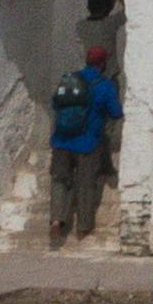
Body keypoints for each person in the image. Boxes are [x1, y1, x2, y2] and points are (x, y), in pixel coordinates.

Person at [45, 39, 123, 246]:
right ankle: (83, 227)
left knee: (60, 180)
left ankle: (56, 220)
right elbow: (116, 113)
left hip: (61, 141)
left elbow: (55, 102)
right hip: (88, 143)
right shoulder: (105, 86)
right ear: (103, 64)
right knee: (86, 184)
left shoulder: (69, 80)